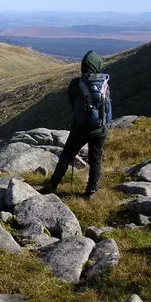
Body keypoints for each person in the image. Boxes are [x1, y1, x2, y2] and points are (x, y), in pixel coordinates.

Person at [43, 50, 112, 199]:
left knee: (66, 157)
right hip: (99, 129)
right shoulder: (104, 83)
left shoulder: (77, 82)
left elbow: (72, 102)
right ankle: (91, 192)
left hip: (79, 128)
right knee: (95, 160)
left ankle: (52, 185)